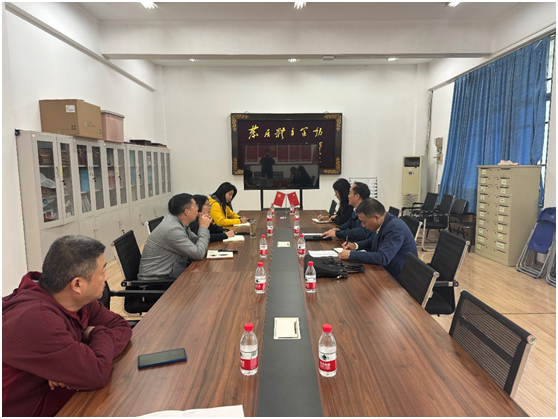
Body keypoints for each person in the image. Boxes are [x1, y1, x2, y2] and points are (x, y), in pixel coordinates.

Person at [2, 235, 132, 417]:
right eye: (102, 271)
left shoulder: (76, 301)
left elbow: (121, 326)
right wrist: (97, 334)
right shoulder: (37, 319)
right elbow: (96, 374)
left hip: (65, 402)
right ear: (77, 284)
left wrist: (78, 357)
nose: (107, 276)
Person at [338, 198, 417, 280]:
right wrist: (355, 246)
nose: (363, 225)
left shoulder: (395, 228)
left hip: (398, 277)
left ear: (376, 217)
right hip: (385, 269)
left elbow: (383, 257)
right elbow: (371, 240)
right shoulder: (384, 221)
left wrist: (351, 255)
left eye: (364, 222)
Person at [139, 193, 211, 281]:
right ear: (187, 212)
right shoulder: (172, 229)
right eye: (196, 206)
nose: (197, 209)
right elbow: (198, 254)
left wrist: (203, 228)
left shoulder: (178, 222)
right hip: (158, 281)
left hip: (171, 274)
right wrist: (203, 227)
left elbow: (196, 242)